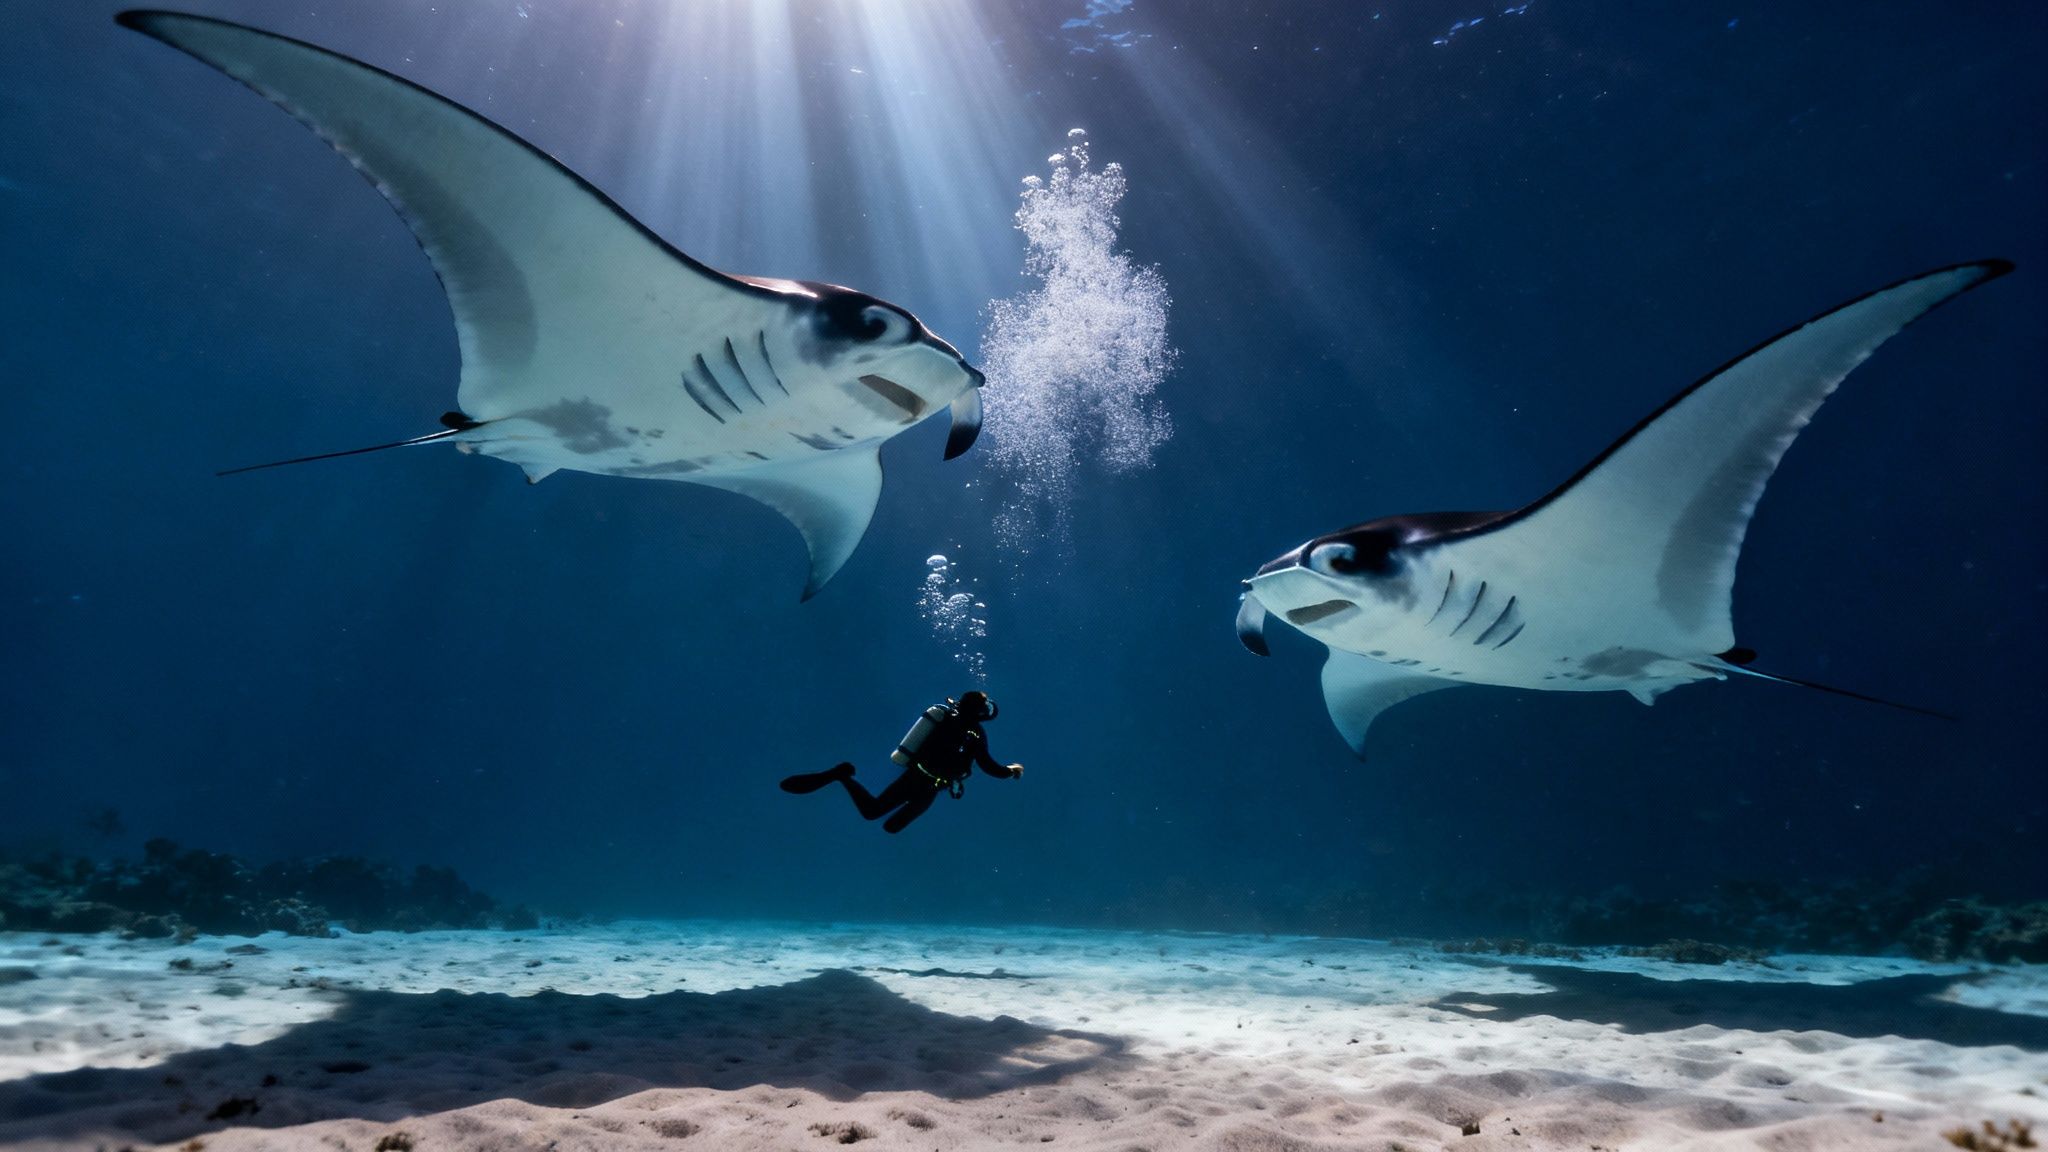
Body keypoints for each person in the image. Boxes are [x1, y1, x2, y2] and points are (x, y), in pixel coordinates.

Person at [780, 690, 1023, 833]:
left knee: (873, 813)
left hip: (915, 776)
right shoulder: (975, 733)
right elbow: (988, 766)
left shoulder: (945, 718)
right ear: (982, 712)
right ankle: (841, 776)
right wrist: (1011, 771)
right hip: (929, 787)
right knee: (891, 827)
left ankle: (841, 776)